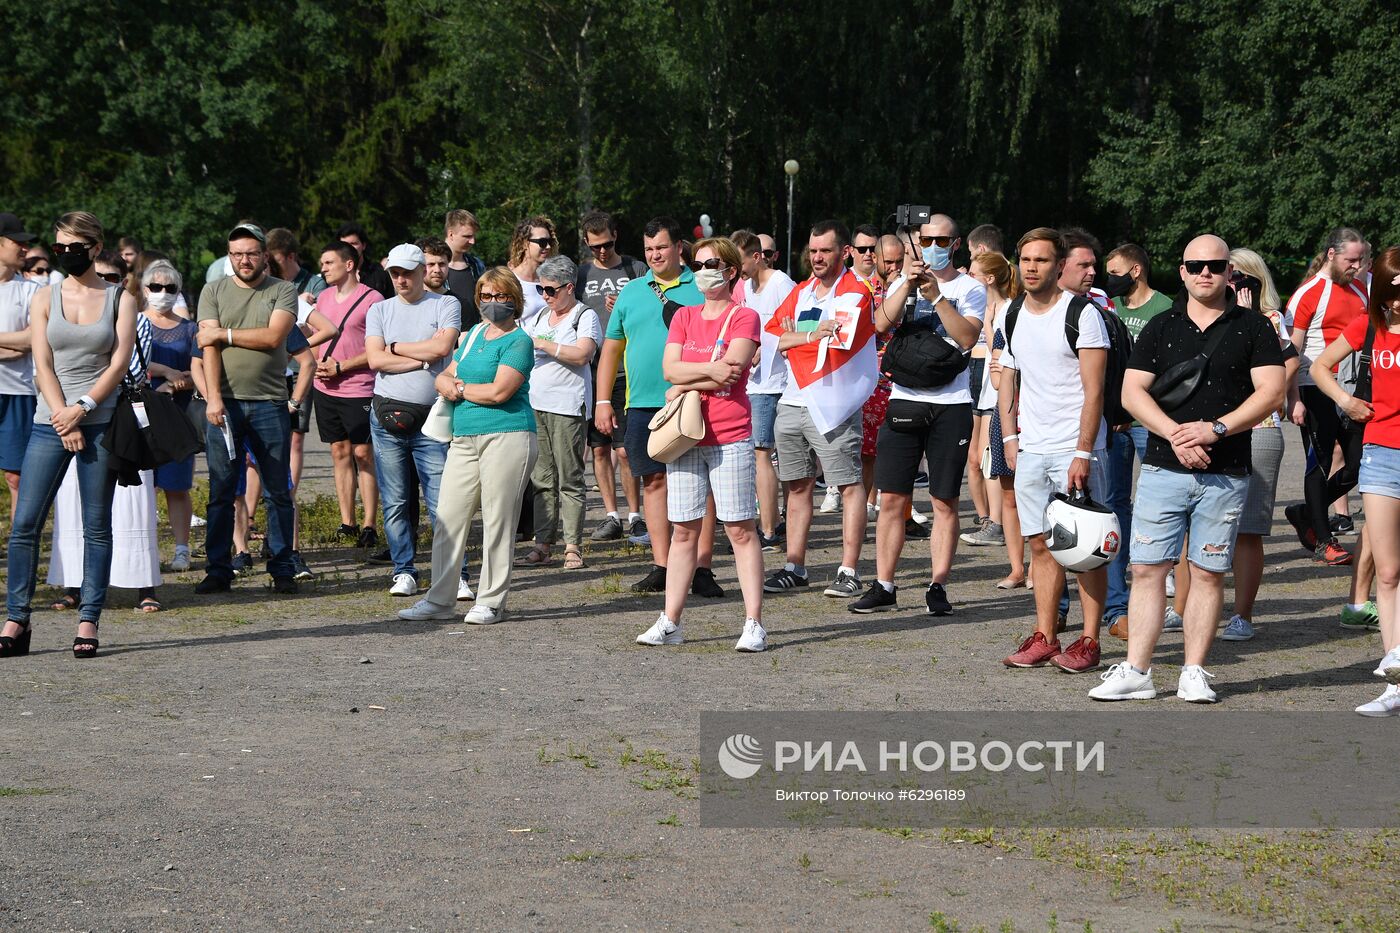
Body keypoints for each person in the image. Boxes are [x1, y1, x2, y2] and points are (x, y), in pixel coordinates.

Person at [1089, 235, 1285, 703]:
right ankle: (1137, 669)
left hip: (1227, 470)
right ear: (1181, 270)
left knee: (1209, 571)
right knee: (1148, 568)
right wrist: (1178, 433)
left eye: (1215, 266)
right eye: (1195, 265)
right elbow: (1132, 393)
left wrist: (1215, 430)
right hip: (1162, 467)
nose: (1205, 273)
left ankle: (1194, 671)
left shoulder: (1254, 328)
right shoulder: (1161, 326)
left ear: (1228, 273)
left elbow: (1272, 393)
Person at [1, 211, 137, 659]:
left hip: (98, 421)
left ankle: (88, 619)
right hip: (49, 420)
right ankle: (17, 619)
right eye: (59, 246)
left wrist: (83, 409)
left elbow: (118, 365)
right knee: (24, 525)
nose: (64, 254)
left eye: (73, 247)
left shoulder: (121, 298)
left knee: (96, 526)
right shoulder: (45, 296)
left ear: (95, 249)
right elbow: (42, 363)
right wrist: (62, 415)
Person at [636, 236, 766, 650]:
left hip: (730, 434)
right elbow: (669, 370)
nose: (702, 270)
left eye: (711, 263)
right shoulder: (685, 316)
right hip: (686, 437)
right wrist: (707, 370)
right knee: (684, 531)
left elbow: (735, 370)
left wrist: (691, 375)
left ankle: (753, 623)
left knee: (740, 529)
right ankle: (671, 620)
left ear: (730, 271)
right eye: (697, 263)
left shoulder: (745, 317)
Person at [851, 215, 984, 615]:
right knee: (892, 498)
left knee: (944, 499)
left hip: (952, 403)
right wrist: (907, 285)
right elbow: (879, 324)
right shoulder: (900, 282)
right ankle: (884, 584)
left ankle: (937, 585)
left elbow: (967, 337)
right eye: (926, 238)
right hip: (905, 398)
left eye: (941, 239)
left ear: (956, 243)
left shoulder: (970, 288)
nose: (933, 244)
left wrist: (938, 297)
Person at [998, 228, 1110, 673]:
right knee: (1040, 546)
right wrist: (1010, 440)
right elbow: (1008, 376)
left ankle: (1089, 640)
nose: (1030, 267)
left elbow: (1094, 390)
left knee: (1085, 549)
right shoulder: (1010, 313)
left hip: (1073, 449)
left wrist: (1083, 452)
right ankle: (1045, 636)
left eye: (1041, 260)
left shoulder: (1082, 314)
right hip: (1031, 448)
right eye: (1025, 259)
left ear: (1059, 265)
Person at [398, 268, 537, 625]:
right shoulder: (474, 333)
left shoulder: (519, 341)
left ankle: (491, 600)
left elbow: (500, 392)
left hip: (507, 436)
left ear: (514, 299)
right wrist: (451, 383)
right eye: (486, 296)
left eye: (501, 296)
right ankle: (440, 599)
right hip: (463, 437)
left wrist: (458, 389)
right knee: (448, 518)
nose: (493, 303)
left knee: (497, 520)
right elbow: (445, 374)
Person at [595, 216, 722, 597]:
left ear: (679, 247)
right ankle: (663, 565)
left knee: (704, 486)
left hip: (695, 400)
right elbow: (611, 351)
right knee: (652, 481)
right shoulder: (632, 291)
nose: (654, 255)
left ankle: (701, 567)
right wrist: (603, 400)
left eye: (662, 248)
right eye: (649, 249)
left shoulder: (702, 287)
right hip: (642, 404)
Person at [1309, 247, 1400, 714]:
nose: (1399, 302)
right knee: (1386, 570)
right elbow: (1318, 367)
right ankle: (1395, 678)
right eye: (1392, 292)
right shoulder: (1370, 326)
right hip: (1382, 454)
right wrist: (1346, 401)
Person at [763, 220, 874, 600]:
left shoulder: (855, 292)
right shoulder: (802, 290)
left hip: (832, 403)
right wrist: (810, 336)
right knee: (796, 486)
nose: (817, 258)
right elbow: (773, 337)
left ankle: (849, 570)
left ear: (844, 253)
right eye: (812, 251)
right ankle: (795, 565)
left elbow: (839, 344)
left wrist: (796, 341)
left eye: (825, 251)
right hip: (792, 401)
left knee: (847, 485)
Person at [193, 223, 300, 594]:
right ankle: (218, 569)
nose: (244, 260)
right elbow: (206, 348)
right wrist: (214, 398)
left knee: (276, 491)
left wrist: (224, 334)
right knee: (221, 492)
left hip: (270, 403)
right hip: (225, 406)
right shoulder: (213, 291)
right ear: (229, 256)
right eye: (236, 254)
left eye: (251, 253)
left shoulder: (283, 290)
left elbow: (274, 337)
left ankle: (283, 565)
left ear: (264, 255)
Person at [49, 301, 162, 612]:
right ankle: (73, 584)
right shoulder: (68, 314)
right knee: (73, 500)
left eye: (114, 279)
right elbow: (53, 365)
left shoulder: (139, 320)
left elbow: (132, 370)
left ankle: (144, 586)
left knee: (133, 499)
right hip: (74, 417)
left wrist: (92, 381)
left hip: (122, 414)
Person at [364, 244, 463, 597]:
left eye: (408, 272)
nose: (401, 279)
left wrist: (396, 347)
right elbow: (375, 361)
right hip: (387, 415)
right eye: (395, 273)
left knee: (442, 501)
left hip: (433, 416)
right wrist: (422, 356)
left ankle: (455, 572)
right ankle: (403, 570)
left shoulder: (446, 303)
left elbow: (442, 349)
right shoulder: (379, 308)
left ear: (423, 271)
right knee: (394, 501)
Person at [1217, 247, 1297, 641]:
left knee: (1247, 530)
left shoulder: (1268, 320)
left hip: (1260, 429)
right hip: (1213, 428)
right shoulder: (1208, 317)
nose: (1223, 282)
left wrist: (1247, 316)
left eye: (1233, 276)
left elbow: (1285, 367)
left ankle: (1242, 616)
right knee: (1198, 526)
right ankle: (1186, 607)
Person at [1098, 242, 1174, 638]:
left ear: (1136, 271)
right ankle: (1119, 605)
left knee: (1162, 500)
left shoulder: (1164, 308)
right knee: (1114, 506)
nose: (1108, 277)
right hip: (1115, 422)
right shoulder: (1107, 307)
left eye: (1115, 270)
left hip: (1150, 419)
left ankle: (1165, 584)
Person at [1284, 226, 1368, 567]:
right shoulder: (1308, 293)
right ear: (1332, 255)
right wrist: (1293, 398)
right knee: (1318, 463)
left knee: (1356, 464)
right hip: (1314, 385)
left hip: (1353, 388)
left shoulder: (1361, 290)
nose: (1357, 266)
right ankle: (1323, 538)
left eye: (1361, 259)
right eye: (1351, 259)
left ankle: (1305, 512)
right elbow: (1291, 350)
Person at [521, 255, 600, 569]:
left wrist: (544, 344)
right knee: (541, 478)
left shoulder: (584, 315)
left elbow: (583, 354)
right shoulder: (541, 314)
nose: (545, 295)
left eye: (551, 290)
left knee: (569, 477)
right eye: (541, 289)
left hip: (567, 406)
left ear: (570, 287)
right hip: (536, 403)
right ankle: (542, 544)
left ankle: (572, 546)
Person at [577, 210, 647, 543]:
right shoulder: (581, 274)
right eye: (595, 247)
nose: (602, 252)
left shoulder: (636, 269)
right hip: (591, 373)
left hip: (628, 372)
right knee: (600, 450)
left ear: (615, 235)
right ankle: (611, 515)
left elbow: (656, 311)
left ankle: (636, 515)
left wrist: (627, 305)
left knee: (627, 450)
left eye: (606, 244)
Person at [313, 240, 380, 549]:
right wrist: (316, 364)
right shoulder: (323, 298)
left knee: (363, 453)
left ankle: (369, 523)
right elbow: (312, 335)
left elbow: (376, 348)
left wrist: (342, 366)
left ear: (349, 264)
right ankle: (347, 522)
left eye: (328, 262)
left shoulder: (372, 299)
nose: (323, 268)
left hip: (359, 387)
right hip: (324, 387)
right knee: (339, 451)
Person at [965, 251, 1026, 589]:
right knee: (1006, 490)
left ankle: (1036, 565)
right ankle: (1017, 568)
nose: (968, 278)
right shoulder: (994, 311)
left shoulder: (1011, 310)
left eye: (973, 273)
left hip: (1015, 407)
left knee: (1025, 491)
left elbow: (1003, 365)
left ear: (989, 278)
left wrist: (990, 328)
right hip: (994, 402)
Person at [734, 229, 795, 548]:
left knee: (763, 454)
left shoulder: (783, 284)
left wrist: (760, 349)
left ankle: (770, 529)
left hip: (775, 382)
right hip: (753, 382)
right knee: (762, 454)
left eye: (740, 261)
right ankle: (776, 522)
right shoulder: (745, 285)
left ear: (757, 257)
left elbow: (794, 328)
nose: (737, 269)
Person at [140, 260, 200, 572]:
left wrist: (180, 380)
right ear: (144, 289)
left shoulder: (190, 329)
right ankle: (144, 547)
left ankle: (181, 549)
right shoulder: (134, 323)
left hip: (179, 415)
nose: (162, 293)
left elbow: (201, 368)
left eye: (169, 288)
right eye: (155, 287)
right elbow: (125, 362)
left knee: (177, 486)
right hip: (141, 417)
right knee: (141, 487)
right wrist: (162, 373)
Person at [0, 212, 39, 528]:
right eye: (18, 243)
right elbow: (21, 340)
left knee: (16, 476)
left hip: (19, 392)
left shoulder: (30, 290)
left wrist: (21, 344)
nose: (25, 250)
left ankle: (18, 546)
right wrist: (13, 345)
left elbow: (31, 339)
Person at [508, 216, 557, 326]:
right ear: (525, 244)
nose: (548, 246)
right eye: (542, 242)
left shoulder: (552, 279)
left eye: (550, 241)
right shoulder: (510, 280)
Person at [444, 209, 484, 328]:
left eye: (473, 236)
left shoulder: (476, 265)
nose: (472, 241)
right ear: (451, 234)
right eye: (467, 236)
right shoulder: (430, 268)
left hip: (474, 335)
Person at [336, 222, 393, 299]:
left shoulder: (379, 275)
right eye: (344, 245)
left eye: (353, 243)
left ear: (363, 245)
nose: (349, 248)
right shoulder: (334, 275)